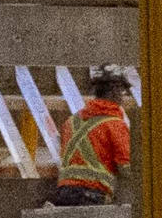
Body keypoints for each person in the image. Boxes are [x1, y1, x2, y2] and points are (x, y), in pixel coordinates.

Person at [47, 69, 132, 204]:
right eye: (123, 92)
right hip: (92, 195)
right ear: (114, 91)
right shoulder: (115, 125)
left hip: (63, 194)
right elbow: (127, 167)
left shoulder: (70, 122)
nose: (124, 97)